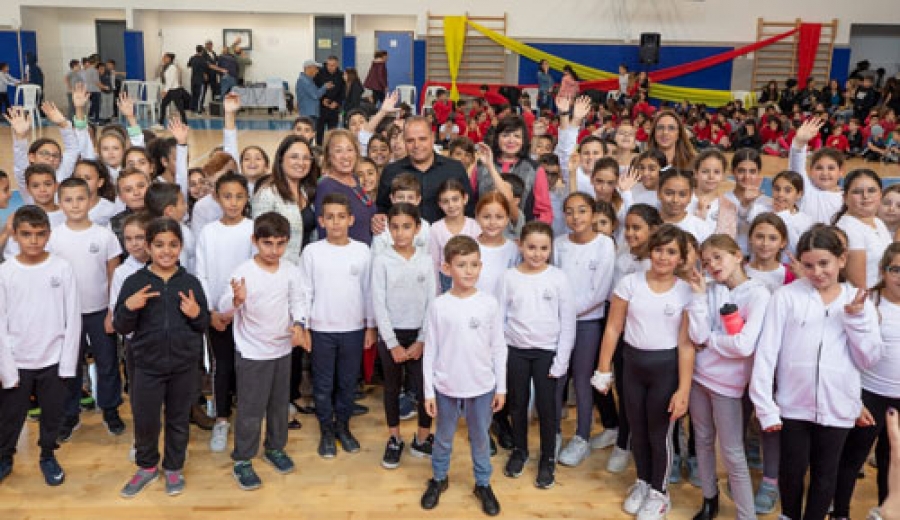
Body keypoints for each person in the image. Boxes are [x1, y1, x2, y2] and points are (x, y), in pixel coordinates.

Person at [750, 225, 883, 520]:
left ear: (841, 259)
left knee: (825, 476)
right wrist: (765, 406)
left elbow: (868, 359)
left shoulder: (858, 301)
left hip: (838, 408)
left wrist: (856, 320)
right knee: (791, 472)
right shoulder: (785, 297)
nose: (817, 272)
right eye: (808, 265)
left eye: (824, 263)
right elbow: (766, 355)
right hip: (792, 407)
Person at [593, 224, 699, 520]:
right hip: (633, 366)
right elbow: (613, 328)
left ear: (681, 258)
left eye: (671, 252)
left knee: (659, 433)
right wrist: (603, 369)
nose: (663, 257)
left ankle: (659, 493)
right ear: (650, 252)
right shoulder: (630, 283)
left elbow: (686, 344)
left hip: (666, 370)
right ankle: (643, 481)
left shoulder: (685, 292)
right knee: (637, 430)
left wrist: (684, 389)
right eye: (659, 250)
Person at [115, 217, 210, 498]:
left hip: (183, 366)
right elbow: (121, 326)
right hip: (146, 366)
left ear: (181, 247)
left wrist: (196, 313)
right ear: (148, 247)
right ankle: (146, 466)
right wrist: (129, 307)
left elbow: (203, 324)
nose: (166, 251)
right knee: (145, 420)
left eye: (172, 244)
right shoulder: (134, 282)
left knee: (178, 419)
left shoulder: (190, 282)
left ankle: (174, 467)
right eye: (159, 245)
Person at [420, 235, 506, 516]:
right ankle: (439, 478)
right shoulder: (439, 305)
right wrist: (429, 392)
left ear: (481, 266)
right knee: (443, 437)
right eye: (461, 265)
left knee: (480, 438)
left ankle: (482, 483)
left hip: (482, 386)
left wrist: (501, 387)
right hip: (446, 386)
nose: (469, 271)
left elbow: (498, 347)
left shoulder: (489, 304)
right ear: (447, 268)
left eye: (474, 264)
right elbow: (430, 350)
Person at [687, 234, 770, 520]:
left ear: (737, 256)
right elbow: (696, 333)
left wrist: (710, 340)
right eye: (706, 261)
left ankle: (747, 515)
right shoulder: (708, 290)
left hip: (728, 386)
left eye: (717, 257)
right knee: (702, 440)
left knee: (733, 452)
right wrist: (699, 296)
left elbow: (744, 346)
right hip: (699, 378)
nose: (712, 265)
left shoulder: (758, 294)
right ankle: (709, 500)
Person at [218, 212, 304, 490]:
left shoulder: (291, 270)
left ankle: (275, 448)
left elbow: (299, 301)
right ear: (255, 240)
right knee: (251, 409)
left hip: (282, 350)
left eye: (280, 244)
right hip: (253, 353)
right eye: (268, 243)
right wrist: (236, 300)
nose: (274, 250)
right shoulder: (243, 272)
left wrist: (299, 324)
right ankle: (243, 459)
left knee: (279, 407)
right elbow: (223, 308)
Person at [0, 206, 81, 487]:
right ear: (15, 235)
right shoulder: (5, 272)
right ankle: (4, 456)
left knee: (53, 414)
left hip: (54, 360)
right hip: (18, 359)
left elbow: (72, 317)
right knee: (10, 416)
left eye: (39, 234)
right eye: (26, 234)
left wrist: (67, 364)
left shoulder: (62, 268)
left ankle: (47, 455)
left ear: (49, 234)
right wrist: (6, 367)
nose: (33, 241)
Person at [297, 193, 377, 459]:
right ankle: (326, 430)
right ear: (321, 221)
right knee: (322, 385)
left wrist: (370, 326)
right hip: (321, 330)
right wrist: (304, 326)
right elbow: (304, 291)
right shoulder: (312, 252)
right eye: (329, 217)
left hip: (353, 329)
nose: (336, 222)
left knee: (347, 383)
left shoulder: (362, 251)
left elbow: (369, 291)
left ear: (351, 220)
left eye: (341, 217)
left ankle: (343, 426)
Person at [500, 222, 576, 489]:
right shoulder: (509, 277)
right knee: (518, 404)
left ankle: (547, 457)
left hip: (547, 353)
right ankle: (520, 450)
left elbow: (568, 322)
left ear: (551, 249)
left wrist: (561, 361)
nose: (537, 253)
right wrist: (501, 354)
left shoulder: (558, 278)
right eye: (531, 247)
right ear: (520, 245)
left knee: (547, 409)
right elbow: (499, 318)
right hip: (516, 351)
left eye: (543, 248)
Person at [48, 177, 124, 442]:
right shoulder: (53, 237)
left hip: (100, 311)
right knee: (69, 365)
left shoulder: (104, 235)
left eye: (80, 198)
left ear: (90, 200)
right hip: (66, 314)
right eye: (68, 200)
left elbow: (114, 274)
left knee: (107, 363)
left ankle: (110, 410)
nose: (75, 205)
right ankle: (70, 414)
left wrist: (112, 311)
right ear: (60, 203)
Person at [832, 243, 900, 519]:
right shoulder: (871, 303)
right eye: (895, 269)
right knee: (853, 457)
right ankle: (840, 512)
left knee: (891, 460)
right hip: (870, 393)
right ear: (883, 270)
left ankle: (887, 511)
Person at [553, 192, 617, 468]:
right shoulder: (559, 244)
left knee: (582, 379)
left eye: (581, 210)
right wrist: (559, 314)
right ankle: (553, 432)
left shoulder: (604, 244)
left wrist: (569, 313)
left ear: (592, 214)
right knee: (557, 377)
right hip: (557, 322)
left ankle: (581, 437)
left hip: (587, 322)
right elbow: (553, 280)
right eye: (569, 211)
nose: (575, 217)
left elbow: (599, 291)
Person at [371, 203, 436, 469]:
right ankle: (395, 439)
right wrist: (392, 344)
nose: (400, 233)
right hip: (392, 335)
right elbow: (378, 304)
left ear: (417, 229)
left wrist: (422, 339)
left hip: (420, 335)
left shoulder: (426, 260)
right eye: (395, 227)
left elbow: (432, 302)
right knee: (392, 387)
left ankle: (422, 438)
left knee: (424, 387)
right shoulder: (382, 260)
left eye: (406, 227)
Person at [196, 173, 255, 452]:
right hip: (217, 315)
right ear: (217, 198)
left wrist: (237, 307)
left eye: (239, 196)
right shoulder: (208, 232)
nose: (233, 202)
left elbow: (254, 271)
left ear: (246, 198)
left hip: (246, 313)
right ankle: (221, 418)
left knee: (246, 365)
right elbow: (202, 274)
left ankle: (247, 417)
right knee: (222, 365)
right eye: (227, 196)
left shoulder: (252, 229)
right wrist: (210, 311)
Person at [377, 116, 474, 224]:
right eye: (410, 140)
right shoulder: (391, 171)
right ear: (404, 141)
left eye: (422, 139)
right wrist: (378, 219)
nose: (416, 145)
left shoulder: (455, 169)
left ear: (433, 137)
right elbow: (382, 209)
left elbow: (469, 209)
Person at [833, 169, 892, 290]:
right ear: (845, 197)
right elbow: (859, 286)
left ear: (880, 194)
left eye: (871, 190)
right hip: (869, 297)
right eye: (857, 192)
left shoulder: (877, 221)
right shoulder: (848, 228)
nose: (865, 196)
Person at [789, 116, 845, 224]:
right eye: (819, 168)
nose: (825, 173)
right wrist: (799, 142)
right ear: (810, 171)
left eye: (831, 168)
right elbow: (796, 165)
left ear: (841, 171)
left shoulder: (847, 198)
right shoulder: (805, 190)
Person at [295, 60, 332, 135]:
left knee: (310, 135)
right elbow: (315, 95)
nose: (317, 71)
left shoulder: (308, 80)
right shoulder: (304, 81)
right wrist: (325, 87)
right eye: (315, 68)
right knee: (307, 135)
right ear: (308, 68)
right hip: (308, 114)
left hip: (311, 113)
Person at [315, 56, 345, 145]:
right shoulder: (319, 74)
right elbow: (315, 90)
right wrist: (322, 100)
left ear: (337, 65)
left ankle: (331, 147)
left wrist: (337, 102)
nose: (331, 67)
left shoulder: (341, 75)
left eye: (333, 65)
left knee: (332, 131)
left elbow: (343, 92)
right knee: (319, 130)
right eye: (329, 65)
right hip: (321, 107)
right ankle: (319, 147)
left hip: (334, 108)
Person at [157, 53, 187, 129]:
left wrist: (165, 91)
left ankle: (185, 123)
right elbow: (165, 80)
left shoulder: (172, 67)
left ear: (169, 59)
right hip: (170, 90)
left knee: (180, 107)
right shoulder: (166, 67)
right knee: (163, 105)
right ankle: (160, 124)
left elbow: (171, 81)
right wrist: (165, 89)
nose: (163, 59)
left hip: (175, 90)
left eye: (165, 57)